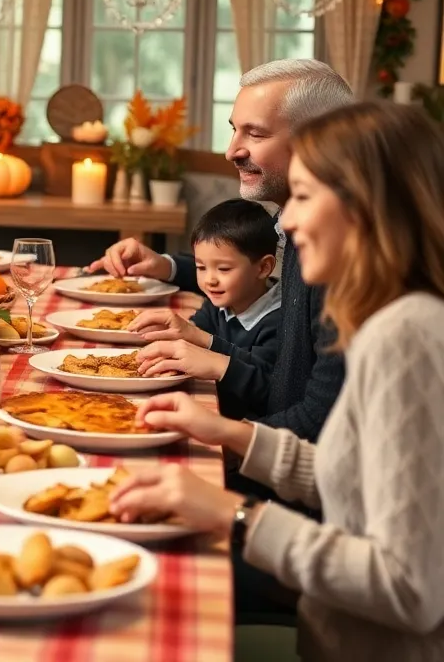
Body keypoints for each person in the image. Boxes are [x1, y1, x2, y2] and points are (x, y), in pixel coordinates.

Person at [110, 102, 444, 660]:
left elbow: (408, 587)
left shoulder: (406, 336)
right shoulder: (390, 316)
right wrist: (227, 434)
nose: (285, 222)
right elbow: (355, 481)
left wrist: (231, 515)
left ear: (366, 207)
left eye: (305, 198)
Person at [89, 59, 353, 442]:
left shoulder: (342, 256)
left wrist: (217, 441)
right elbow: (256, 283)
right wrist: (166, 266)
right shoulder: (299, 228)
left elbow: (318, 424)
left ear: (318, 141)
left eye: (255, 134)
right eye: (234, 130)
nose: (231, 151)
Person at [128, 198, 281, 421]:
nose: (210, 280)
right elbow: (195, 332)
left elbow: (262, 387)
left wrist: (201, 339)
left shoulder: (277, 322)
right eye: (201, 267)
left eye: (224, 269)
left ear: (263, 267)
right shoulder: (220, 301)